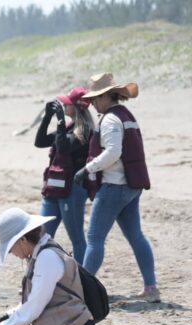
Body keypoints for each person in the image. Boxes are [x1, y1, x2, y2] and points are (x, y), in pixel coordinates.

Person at [73, 73, 159, 303]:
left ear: (105, 96)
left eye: (94, 99)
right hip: (131, 186)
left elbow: (113, 152)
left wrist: (87, 169)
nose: (92, 103)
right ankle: (151, 288)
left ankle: (82, 291)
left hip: (115, 186)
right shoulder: (126, 115)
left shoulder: (111, 120)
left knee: (94, 238)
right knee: (136, 236)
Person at [34, 86, 94, 263]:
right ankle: (39, 274)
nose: (64, 106)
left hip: (72, 191)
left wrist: (60, 122)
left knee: (77, 239)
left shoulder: (84, 130)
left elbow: (63, 147)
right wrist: (47, 117)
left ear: (76, 107)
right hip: (54, 189)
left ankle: (83, 275)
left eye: (67, 104)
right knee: (42, 236)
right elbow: (40, 142)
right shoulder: (68, 128)